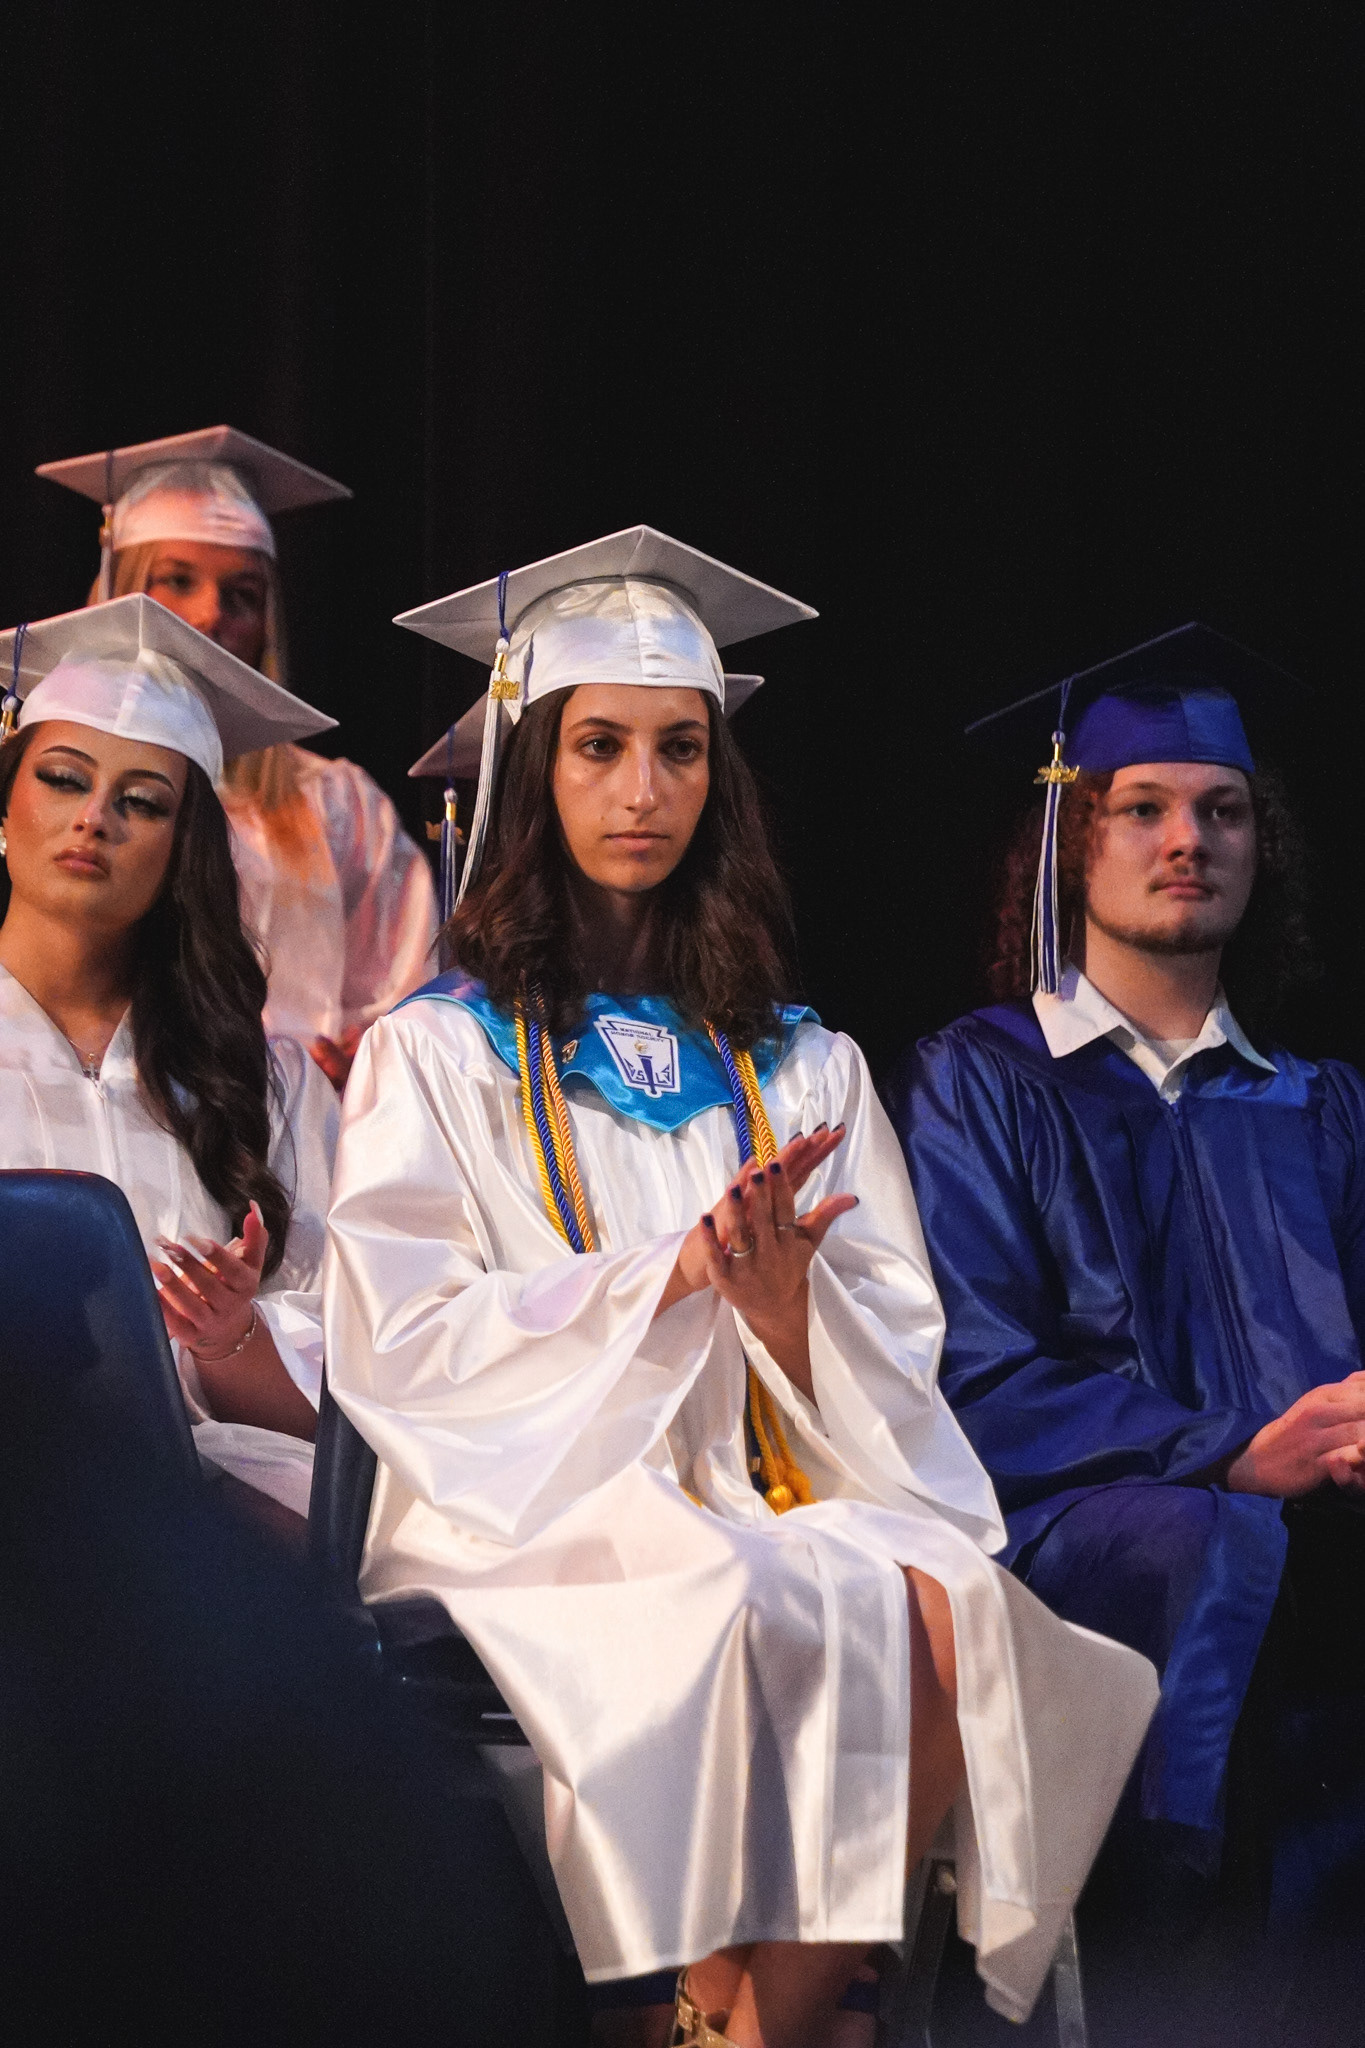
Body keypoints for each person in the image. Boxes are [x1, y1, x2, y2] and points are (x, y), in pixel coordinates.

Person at [322, 528, 1157, 2048]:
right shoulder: (433, 1052)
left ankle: (744, 2024)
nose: (641, 791)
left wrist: (778, 1311)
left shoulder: (796, 1059)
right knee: (739, 1596)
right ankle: (745, 2020)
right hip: (541, 1493)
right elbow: (407, 1333)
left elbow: (895, 1332)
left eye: (678, 750)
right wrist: (667, 1278)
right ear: (534, 770)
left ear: (719, 776)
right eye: (599, 748)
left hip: (767, 1473)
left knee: (945, 1598)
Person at [889, 624, 1365, 2045]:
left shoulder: (1323, 1106)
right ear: (1069, 840)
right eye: (1141, 808)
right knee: (1217, 1542)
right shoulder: (980, 1083)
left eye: (1220, 811)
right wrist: (1229, 1455)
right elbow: (972, 1377)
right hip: (1084, 1533)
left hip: (1314, 1533)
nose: (1186, 840)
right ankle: (1165, 1986)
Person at [0, 593, 339, 1516]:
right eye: (63, 779)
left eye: (142, 802)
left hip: (210, 1507)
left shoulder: (263, 1086)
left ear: (180, 852)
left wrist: (230, 1338)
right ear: (6, 806)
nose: (95, 818)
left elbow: (339, 1391)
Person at [38, 427, 439, 1083]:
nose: (208, 616)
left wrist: (372, 1059)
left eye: (243, 596)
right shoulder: (52, 787)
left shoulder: (337, 805)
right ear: (119, 594)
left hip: (296, 1139)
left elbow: (407, 990)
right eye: (176, 580)